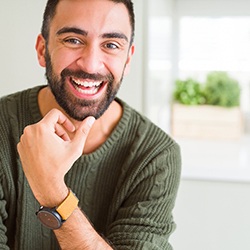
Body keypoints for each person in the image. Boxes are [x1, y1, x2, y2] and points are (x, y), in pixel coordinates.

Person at [0, 0, 181, 249]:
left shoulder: (156, 155)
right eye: (73, 40)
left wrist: (52, 192)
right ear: (42, 50)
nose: (91, 64)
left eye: (111, 45)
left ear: (127, 59)